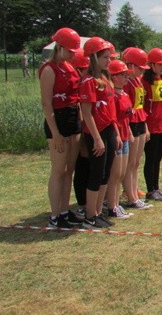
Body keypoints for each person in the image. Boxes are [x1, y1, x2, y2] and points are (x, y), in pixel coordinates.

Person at [39, 27, 83, 228]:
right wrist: (55, 133)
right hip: (59, 120)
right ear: (60, 47)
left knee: (69, 170)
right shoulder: (49, 69)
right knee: (58, 169)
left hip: (73, 119)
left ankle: (65, 211)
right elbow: (47, 104)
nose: (74, 54)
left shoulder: (70, 67)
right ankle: (55, 215)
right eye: (71, 50)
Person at [79, 37, 121, 229]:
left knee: (105, 173)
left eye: (109, 57)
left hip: (109, 130)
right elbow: (87, 113)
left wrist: (117, 134)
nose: (109, 61)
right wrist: (96, 138)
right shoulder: (88, 81)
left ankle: (97, 212)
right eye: (105, 57)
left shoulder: (105, 80)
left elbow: (111, 111)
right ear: (94, 57)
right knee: (96, 173)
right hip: (96, 133)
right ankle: (89, 216)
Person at [122, 47, 153, 210]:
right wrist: (127, 128)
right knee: (130, 163)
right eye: (140, 68)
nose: (142, 71)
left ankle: (133, 191)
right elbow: (125, 109)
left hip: (140, 121)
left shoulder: (138, 80)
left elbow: (140, 105)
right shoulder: (126, 83)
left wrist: (146, 126)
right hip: (131, 123)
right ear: (131, 66)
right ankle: (131, 197)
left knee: (136, 162)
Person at [142, 48, 162, 201]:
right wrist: (145, 127)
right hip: (151, 127)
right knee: (151, 158)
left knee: (158, 158)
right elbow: (141, 106)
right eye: (159, 64)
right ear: (151, 65)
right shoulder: (145, 83)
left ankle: (156, 187)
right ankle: (150, 190)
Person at [105, 59, 135, 219]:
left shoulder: (123, 94)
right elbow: (113, 118)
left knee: (122, 173)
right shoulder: (113, 96)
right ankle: (112, 206)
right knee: (115, 174)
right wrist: (117, 135)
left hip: (124, 135)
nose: (126, 78)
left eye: (126, 75)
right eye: (122, 75)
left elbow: (126, 117)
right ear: (114, 77)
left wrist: (129, 131)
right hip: (117, 137)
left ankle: (116, 204)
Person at [70, 48, 91, 219]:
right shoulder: (77, 82)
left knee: (88, 164)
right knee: (81, 165)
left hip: (86, 126)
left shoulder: (86, 81)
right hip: (79, 126)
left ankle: (88, 201)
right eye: (85, 69)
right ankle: (82, 203)